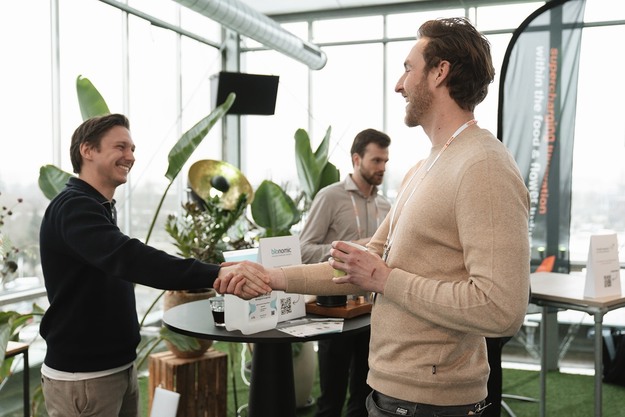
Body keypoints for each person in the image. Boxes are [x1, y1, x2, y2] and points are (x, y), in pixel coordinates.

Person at [219, 17, 531, 417]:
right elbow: (361, 263)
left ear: (440, 72)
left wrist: (385, 279)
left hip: (433, 404)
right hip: (390, 391)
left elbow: (501, 309)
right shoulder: (424, 167)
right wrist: (271, 277)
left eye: (408, 68)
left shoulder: (483, 166)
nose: (399, 85)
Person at [38, 113, 271, 417]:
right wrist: (215, 272)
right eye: (120, 147)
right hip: (84, 378)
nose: (130, 156)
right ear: (88, 150)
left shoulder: (98, 206)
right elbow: (131, 258)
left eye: (132, 149)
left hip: (115, 368)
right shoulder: (74, 207)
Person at [299, 128, 391, 417]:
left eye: (385, 161)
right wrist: (355, 247)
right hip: (334, 309)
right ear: (356, 159)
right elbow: (304, 250)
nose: (382, 167)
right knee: (332, 398)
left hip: (371, 310)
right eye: (376, 160)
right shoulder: (330, 197)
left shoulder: (385, 205)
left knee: (363, 397)